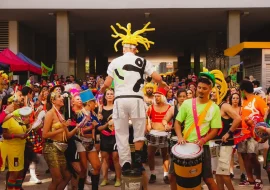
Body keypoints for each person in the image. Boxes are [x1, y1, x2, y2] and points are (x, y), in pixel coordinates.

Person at [100, 22, 168, 175]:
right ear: (135, 48)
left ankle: (125, 163)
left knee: (121, 133)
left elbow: (107, 83)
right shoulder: (143, 61)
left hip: (120, 100)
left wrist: (103, 89)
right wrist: (163, 83)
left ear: (124, 48)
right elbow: (156, 77)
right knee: (138, 131)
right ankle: (137, 162)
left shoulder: (115, 62)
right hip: (137, 99)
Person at [174, 72, 222, 190]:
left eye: (204, 88)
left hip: (202, 147)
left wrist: (204, 140)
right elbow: (177, 123)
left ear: (210, 89)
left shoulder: (214, 107)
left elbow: (215, 129)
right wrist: (180, 137)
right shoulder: (187, 103)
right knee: (173, 176)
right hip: (183, 145)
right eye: (199, 87)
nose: (201, 90)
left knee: (208, 179)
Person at [42, 92, 78, 190]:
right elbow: (44, 134)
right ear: (53, 101)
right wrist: (62, 128)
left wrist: (77, 128)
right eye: (59, 97)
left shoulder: (61, 115)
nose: (62, 98)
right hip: (51, 148)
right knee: (57, 179)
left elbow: (67, 136)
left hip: (60, 148)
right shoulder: (50, 114)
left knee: (67, 176)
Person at [238, 80, 267, 189]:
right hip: (242, 133)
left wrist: (260, 129)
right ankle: (250, 178)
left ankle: (258, 178)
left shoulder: (258, 100)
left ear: (243, 90)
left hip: (254, 134)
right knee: (245, 156)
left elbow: (265, 115)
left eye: (240, 90)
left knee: (252, 155)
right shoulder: (243, 101)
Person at [162, 89, 187, 190]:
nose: (182, 98)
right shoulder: (173, 109)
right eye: (180, 96)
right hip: (175, 139)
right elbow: (164, 119)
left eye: (184, 96)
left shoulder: (192, 108)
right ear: (177, 97)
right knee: (175, 166)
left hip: (188, 139)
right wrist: (166, 125)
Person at [146, 87, 171, 184]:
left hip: (165, 134)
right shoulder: (151, 107)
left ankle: (165, 175)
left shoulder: (169, 107)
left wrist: (169, 126)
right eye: (155, 96)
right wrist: (147, 124)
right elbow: (147, 116)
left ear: (163, 97)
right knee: (150, 155)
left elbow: (173, 119)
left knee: (165, 155)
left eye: (158, 96)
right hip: (153, 133)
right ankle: (153, 174)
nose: (156, 98)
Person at [98, 89, 121, 187]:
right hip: (104, 135)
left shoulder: (117, 107)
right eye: (108, 94)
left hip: (115, 136)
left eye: (112, 94)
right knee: (104, 158)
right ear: (105, 96)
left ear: (114, 96)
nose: (110, 95)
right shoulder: (101, 108)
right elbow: (99, 124)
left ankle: (118, 178)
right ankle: (105, 179)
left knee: (116, 157)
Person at [229, 93, 247, 182]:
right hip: (230, 133)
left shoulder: (242, 109)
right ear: (230, 99)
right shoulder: (228, 108)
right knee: (230, 153)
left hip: (240, 133)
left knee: (240, 153)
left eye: (237, 98)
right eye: (233, 98)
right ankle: (231, 171)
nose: (235, 100)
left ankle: (242, 173)